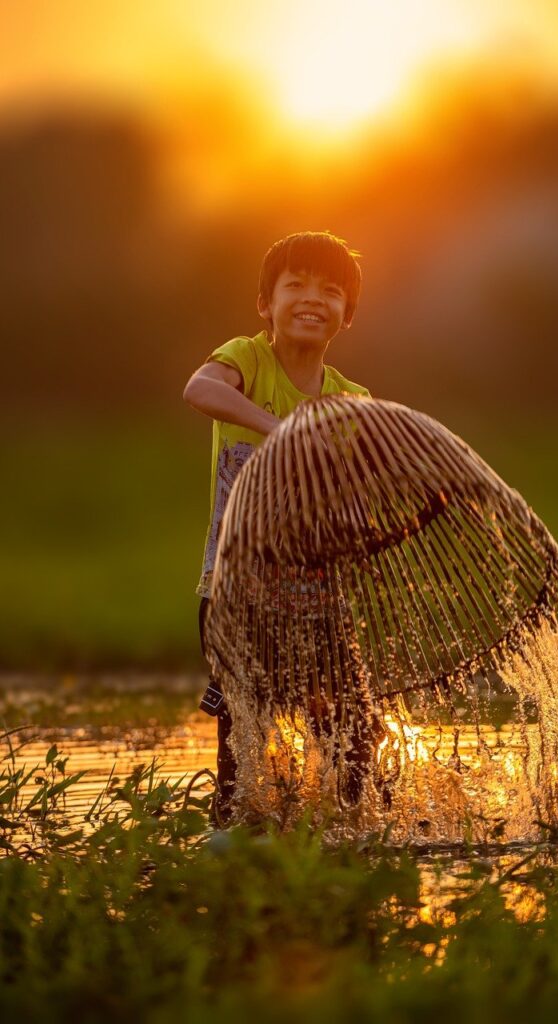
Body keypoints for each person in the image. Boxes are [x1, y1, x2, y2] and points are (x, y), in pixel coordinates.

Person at [183, 230, 385, 822]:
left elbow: (362, 487)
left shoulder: (354, 400)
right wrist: (282, 431)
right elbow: (198, 389)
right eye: (294, 285)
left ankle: (348, 831)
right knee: (242, 737)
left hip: (320, 601)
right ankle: (234, 837)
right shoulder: (247, 359)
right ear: (266, 304)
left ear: (346, 314)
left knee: (353, 733)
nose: (311, 299)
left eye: (330, 291)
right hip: (236, 595)